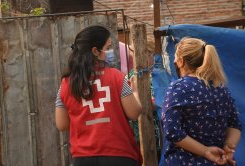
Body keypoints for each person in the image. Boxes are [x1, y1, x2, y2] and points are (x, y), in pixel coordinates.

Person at [55, 25, 142, 166]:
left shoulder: (66, 84)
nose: (110, 52)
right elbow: (134, 113)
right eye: (107, 47)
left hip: (83, 158)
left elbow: (62, 124)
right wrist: (136, 93)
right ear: (95, 51)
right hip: (119, 155)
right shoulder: (116, 77)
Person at [161, 37, 242, 165]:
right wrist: (228, 148)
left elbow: (172, 131)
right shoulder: (221, 89)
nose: (174, 62)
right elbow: (235, 125)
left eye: (175, 59)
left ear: (181, 61)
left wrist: (205, 151)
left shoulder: (178, 88)